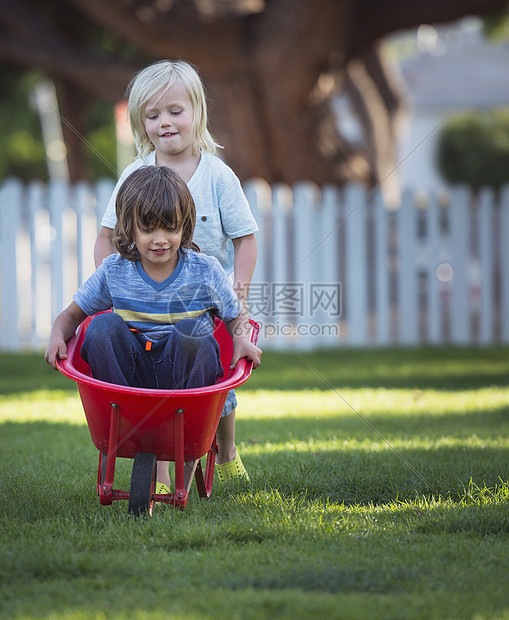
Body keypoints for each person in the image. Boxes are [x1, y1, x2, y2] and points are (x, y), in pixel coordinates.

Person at [46, 166, 262, 494]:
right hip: (128, 383)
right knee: (103, 324)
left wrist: (242, 341)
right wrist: (57, 335)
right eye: (147, 229)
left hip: (184, 384)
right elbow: (71, 315)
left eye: (170, 228)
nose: (160, 240)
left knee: (191, 331)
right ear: (129, 229)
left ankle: (184, 462)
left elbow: (234, 316)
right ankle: (128, 427)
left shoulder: (204, 271)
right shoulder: (116, 271)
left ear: (185, 226)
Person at [94, 60, 258, 484]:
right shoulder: (135, 176)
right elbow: (106, 237)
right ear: (140, 123)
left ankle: (226, 453)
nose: (165, 122)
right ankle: (160, 464)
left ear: (197, 113)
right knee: (154, 388)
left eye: (175, 111)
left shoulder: (218, 177)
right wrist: (112, 288)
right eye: (153, 115)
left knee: (215, 385)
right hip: (144, 305)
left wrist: (236, 295)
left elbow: (245, 239)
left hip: (204, 302)